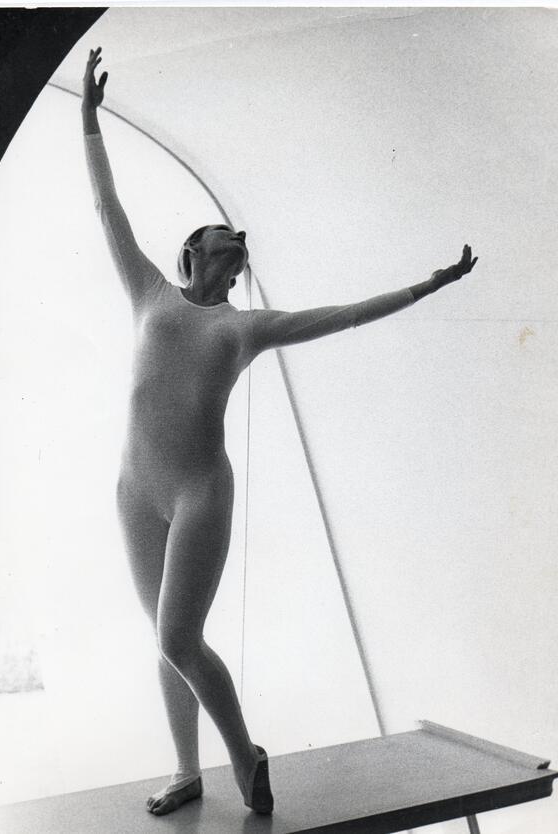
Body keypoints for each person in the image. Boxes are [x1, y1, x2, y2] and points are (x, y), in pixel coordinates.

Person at [81, 47, 478, 817]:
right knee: (164, 641)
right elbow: (107, 208)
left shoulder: (243, 327)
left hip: (199, 492)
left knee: (177, 635)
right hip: (135, 489)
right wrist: (89, 121)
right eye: (224, 232)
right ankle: (186, 769)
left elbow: (345, 316)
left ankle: (244, 757)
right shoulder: (149, 293)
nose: (238, 238)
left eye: (242, 242)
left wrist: (425, 287)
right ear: (195, 250)